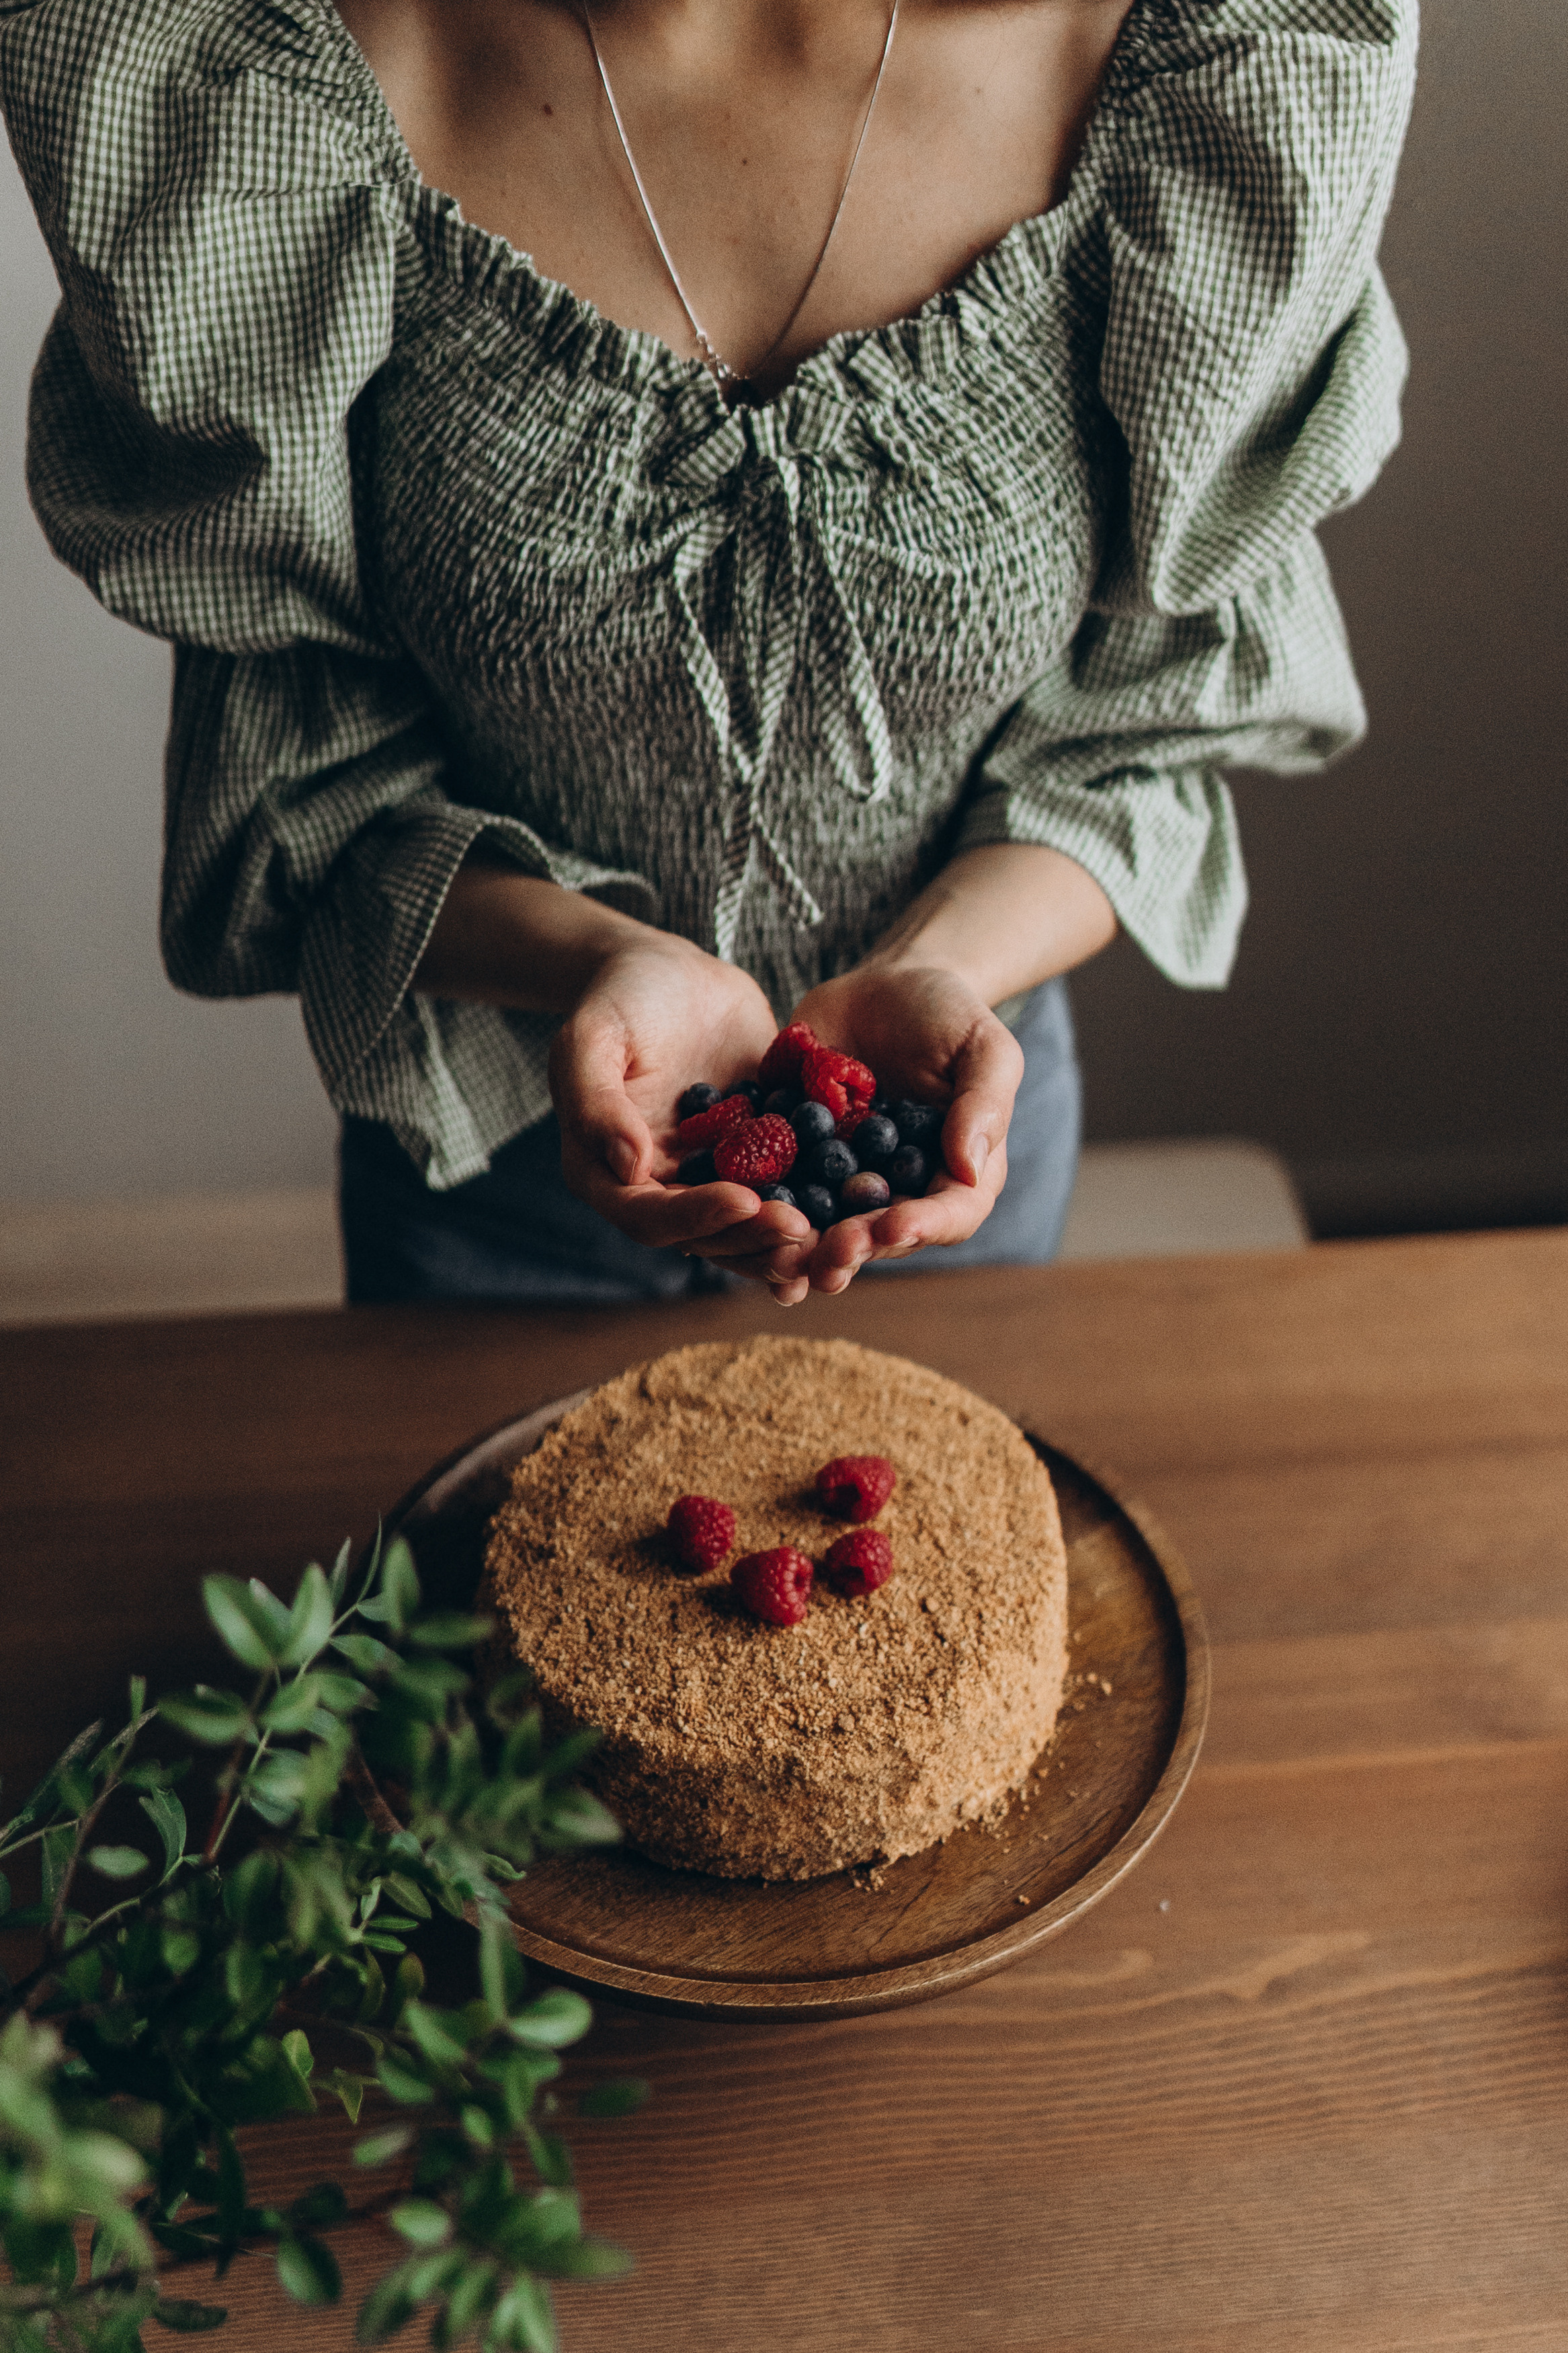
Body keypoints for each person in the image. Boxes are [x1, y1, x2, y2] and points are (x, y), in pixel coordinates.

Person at [1, 0, 1415, 1308]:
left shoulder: (1181, 65)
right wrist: (594, 964)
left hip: (944, 1151)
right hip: (489, 1183)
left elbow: (1143, 737)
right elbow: (302, 792)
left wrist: (938, 968)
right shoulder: (281, 83)